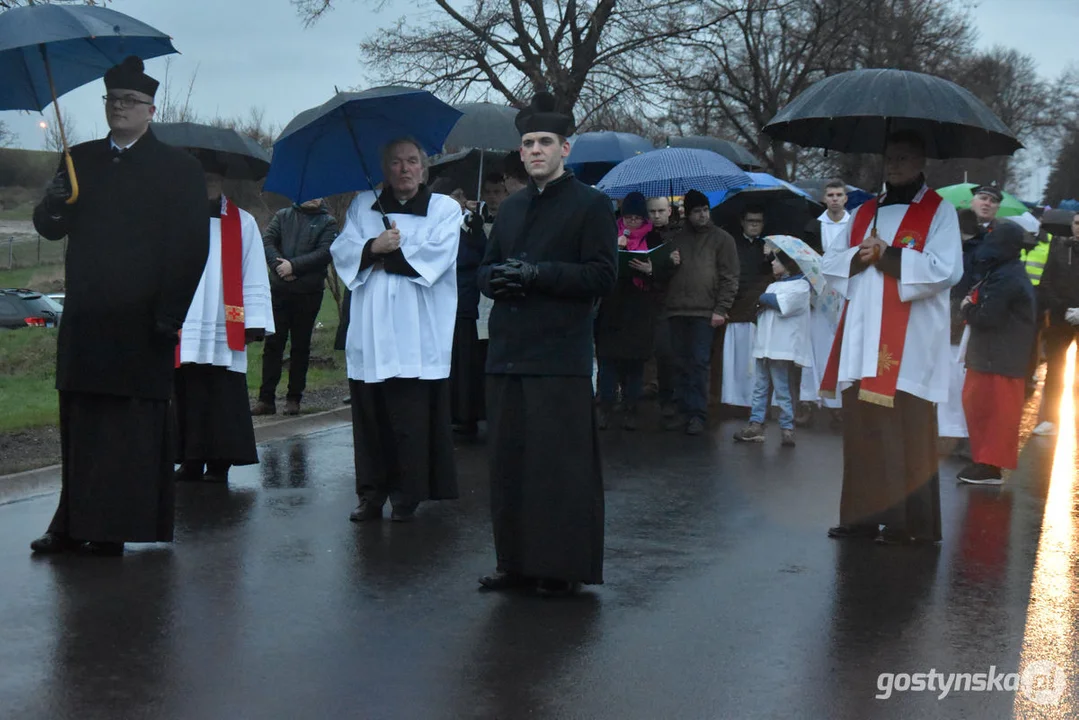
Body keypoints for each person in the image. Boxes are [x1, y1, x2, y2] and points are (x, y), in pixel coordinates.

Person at [29, 56, 209, 556]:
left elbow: (192, 248)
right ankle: (70, 522)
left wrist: (170, 314)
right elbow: (50, 228)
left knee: (127, 429)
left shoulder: (179, 168)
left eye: (129, 101)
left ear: (151, 109)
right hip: (87, 317)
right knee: (82, 423)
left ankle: (112, 526)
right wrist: (53, 203)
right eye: (112, 100)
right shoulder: (78, 159)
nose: (119, 108)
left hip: (143, 321)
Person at [476, 92, 617, 597]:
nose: (534, 150)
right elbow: (486, 268)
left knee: (556, 471)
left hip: (559, 359)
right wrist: (500, 280)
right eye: (528, 143)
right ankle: (515, 563)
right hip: (508, 353)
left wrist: (540, 274)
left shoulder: (592, 205)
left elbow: (603, 275)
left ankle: (558, 569)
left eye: (544, 142)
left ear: (566, 148)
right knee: (509, 466)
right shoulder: (511, 208)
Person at [820, 129, 962, 546]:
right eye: (890, 158)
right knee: (863, 431)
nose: (894, 165)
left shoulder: (939, 212)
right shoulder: (864, 211)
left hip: (911, 344)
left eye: (902, 158)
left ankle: (909, 524)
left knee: (906, 432)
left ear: (920, 163)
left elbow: (946, 269)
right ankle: (861, 518)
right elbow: (833, 264)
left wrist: (890, 255)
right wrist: (860, 256)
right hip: (863, 336)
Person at [331, 137, 461, 522]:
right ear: (384, 169)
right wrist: (374, 244)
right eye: (395, 163)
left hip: (417, 331)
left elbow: (439, 256)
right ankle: (371, 494)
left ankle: (407, 494)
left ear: (424, 168)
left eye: (411, 162)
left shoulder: (443, 209)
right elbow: (343, 251)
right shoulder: (362, 205)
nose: (404, 169)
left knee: (410, 418)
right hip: (370, 329)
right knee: (370, 418)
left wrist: (388, 256)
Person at [174, 170, 274, 484]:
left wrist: (254, 321)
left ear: (224, 181)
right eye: (202, 176)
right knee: (186, 388)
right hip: (186, 318)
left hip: (224, 317)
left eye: (214, 177)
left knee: (222, 391)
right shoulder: (175, 217)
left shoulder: (242, 222)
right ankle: (191, 460)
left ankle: (220, 462)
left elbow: (254, 268)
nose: (209, 182)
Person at [957, 220, 1036, 485]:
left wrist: (967, 308)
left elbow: (988, 316)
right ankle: (986, 461)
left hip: (998, 357)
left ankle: (990, 466)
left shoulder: (1005, 276)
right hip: (997, 356)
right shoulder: (1007, 271)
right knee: (986, 409)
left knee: (994, 412)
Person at [663, 190, 740, 435]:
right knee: (679, 363)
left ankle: (698, 414)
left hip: (705, 311)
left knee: (698, 363)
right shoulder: (676, 238)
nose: (703, 215)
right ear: (688, 213)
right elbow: (662, 276)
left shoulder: (722, 239)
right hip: (676, 309)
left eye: (705, 210)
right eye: (697, 211)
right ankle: (683, 410)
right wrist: (668, 262)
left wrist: (721, 308)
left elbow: (730, 277)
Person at [253, 197, 338, 416]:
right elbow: (267, 241)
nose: (312, 197)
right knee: (273, 344)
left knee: (301, 346)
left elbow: (324, 253)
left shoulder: (328, 222)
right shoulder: (283, 216)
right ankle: (266, 399)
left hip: (308, 293)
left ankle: (294, 399)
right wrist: (279, 266)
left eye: (317, 194)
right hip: (279, 290)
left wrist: (294, 267)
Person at [594, 191, 671, 430]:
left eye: (637, 218)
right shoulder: (608, 233)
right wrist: (613, 252)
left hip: (639, 309)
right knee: (607, 362)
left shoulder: (655, 238)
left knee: (634, 365)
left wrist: (650, 269)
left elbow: (665, 274)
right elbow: (594, 264)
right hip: (611, 308)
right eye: (629, 218)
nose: (633, 222)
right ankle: (605, 408)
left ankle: (631, 409)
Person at [733, 250, 812, 446]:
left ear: (787, 264)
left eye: (776, 261)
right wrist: (763, 299)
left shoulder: (801, 286)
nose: (772, 265)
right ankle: (756, 423)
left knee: (782, 387)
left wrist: (763, 298)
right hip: (764, 344)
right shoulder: (773, 284)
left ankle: (787, 426)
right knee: (760, 387)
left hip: (781, 346)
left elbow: (781, 305)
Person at [799, 179, 850, 426]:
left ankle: (838, 404)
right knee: (815, 346)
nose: (835, 199)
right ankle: (809, 399)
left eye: (839, 194)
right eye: (830, 194)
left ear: (846, 198)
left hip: (846, 292)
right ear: (824, 198)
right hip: (818, 293)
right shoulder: (813, 226)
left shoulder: (855, 225)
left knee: (840, 347)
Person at [721, 205, 775, 409]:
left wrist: (770, 257)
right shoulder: (732, 245)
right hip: (737, 308)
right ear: (742, 222)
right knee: (737, 360)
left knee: (757, 362)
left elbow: (776, 275)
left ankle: (757, 403)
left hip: (759, 309)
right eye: (750, 221)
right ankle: (734, 401)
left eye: (758, 221)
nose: (754, 225)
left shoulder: (769, 247)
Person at [1033, 212, 1079, 437]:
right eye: (1077, 223)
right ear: (1072, 225)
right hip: (1061, 319)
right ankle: (1051, 418)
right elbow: (1046, 282)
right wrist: (1063, 309)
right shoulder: (1060, 248)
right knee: (1055, 370)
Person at [646, 196, 681, 418]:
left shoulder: (679, 236)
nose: (657, 216)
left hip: (672, 300)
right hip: (646, 299)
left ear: (669, 210)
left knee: (668, 353)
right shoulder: (643, 236)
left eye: (660, 211)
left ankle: (668, 397)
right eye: (652, 212)